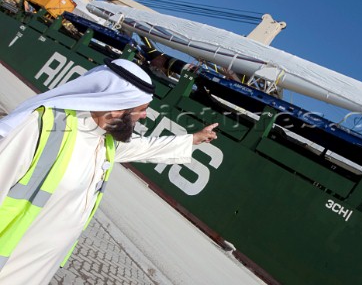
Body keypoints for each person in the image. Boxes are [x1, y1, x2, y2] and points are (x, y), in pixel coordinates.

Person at [0, 58, 218, 284]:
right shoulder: (43, 127)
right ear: (117, 107)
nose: (144, 116)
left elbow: (144, 148)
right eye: (141, 109)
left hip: (41, 266)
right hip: (10, 259)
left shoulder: (103, 142)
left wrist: (193, 139)